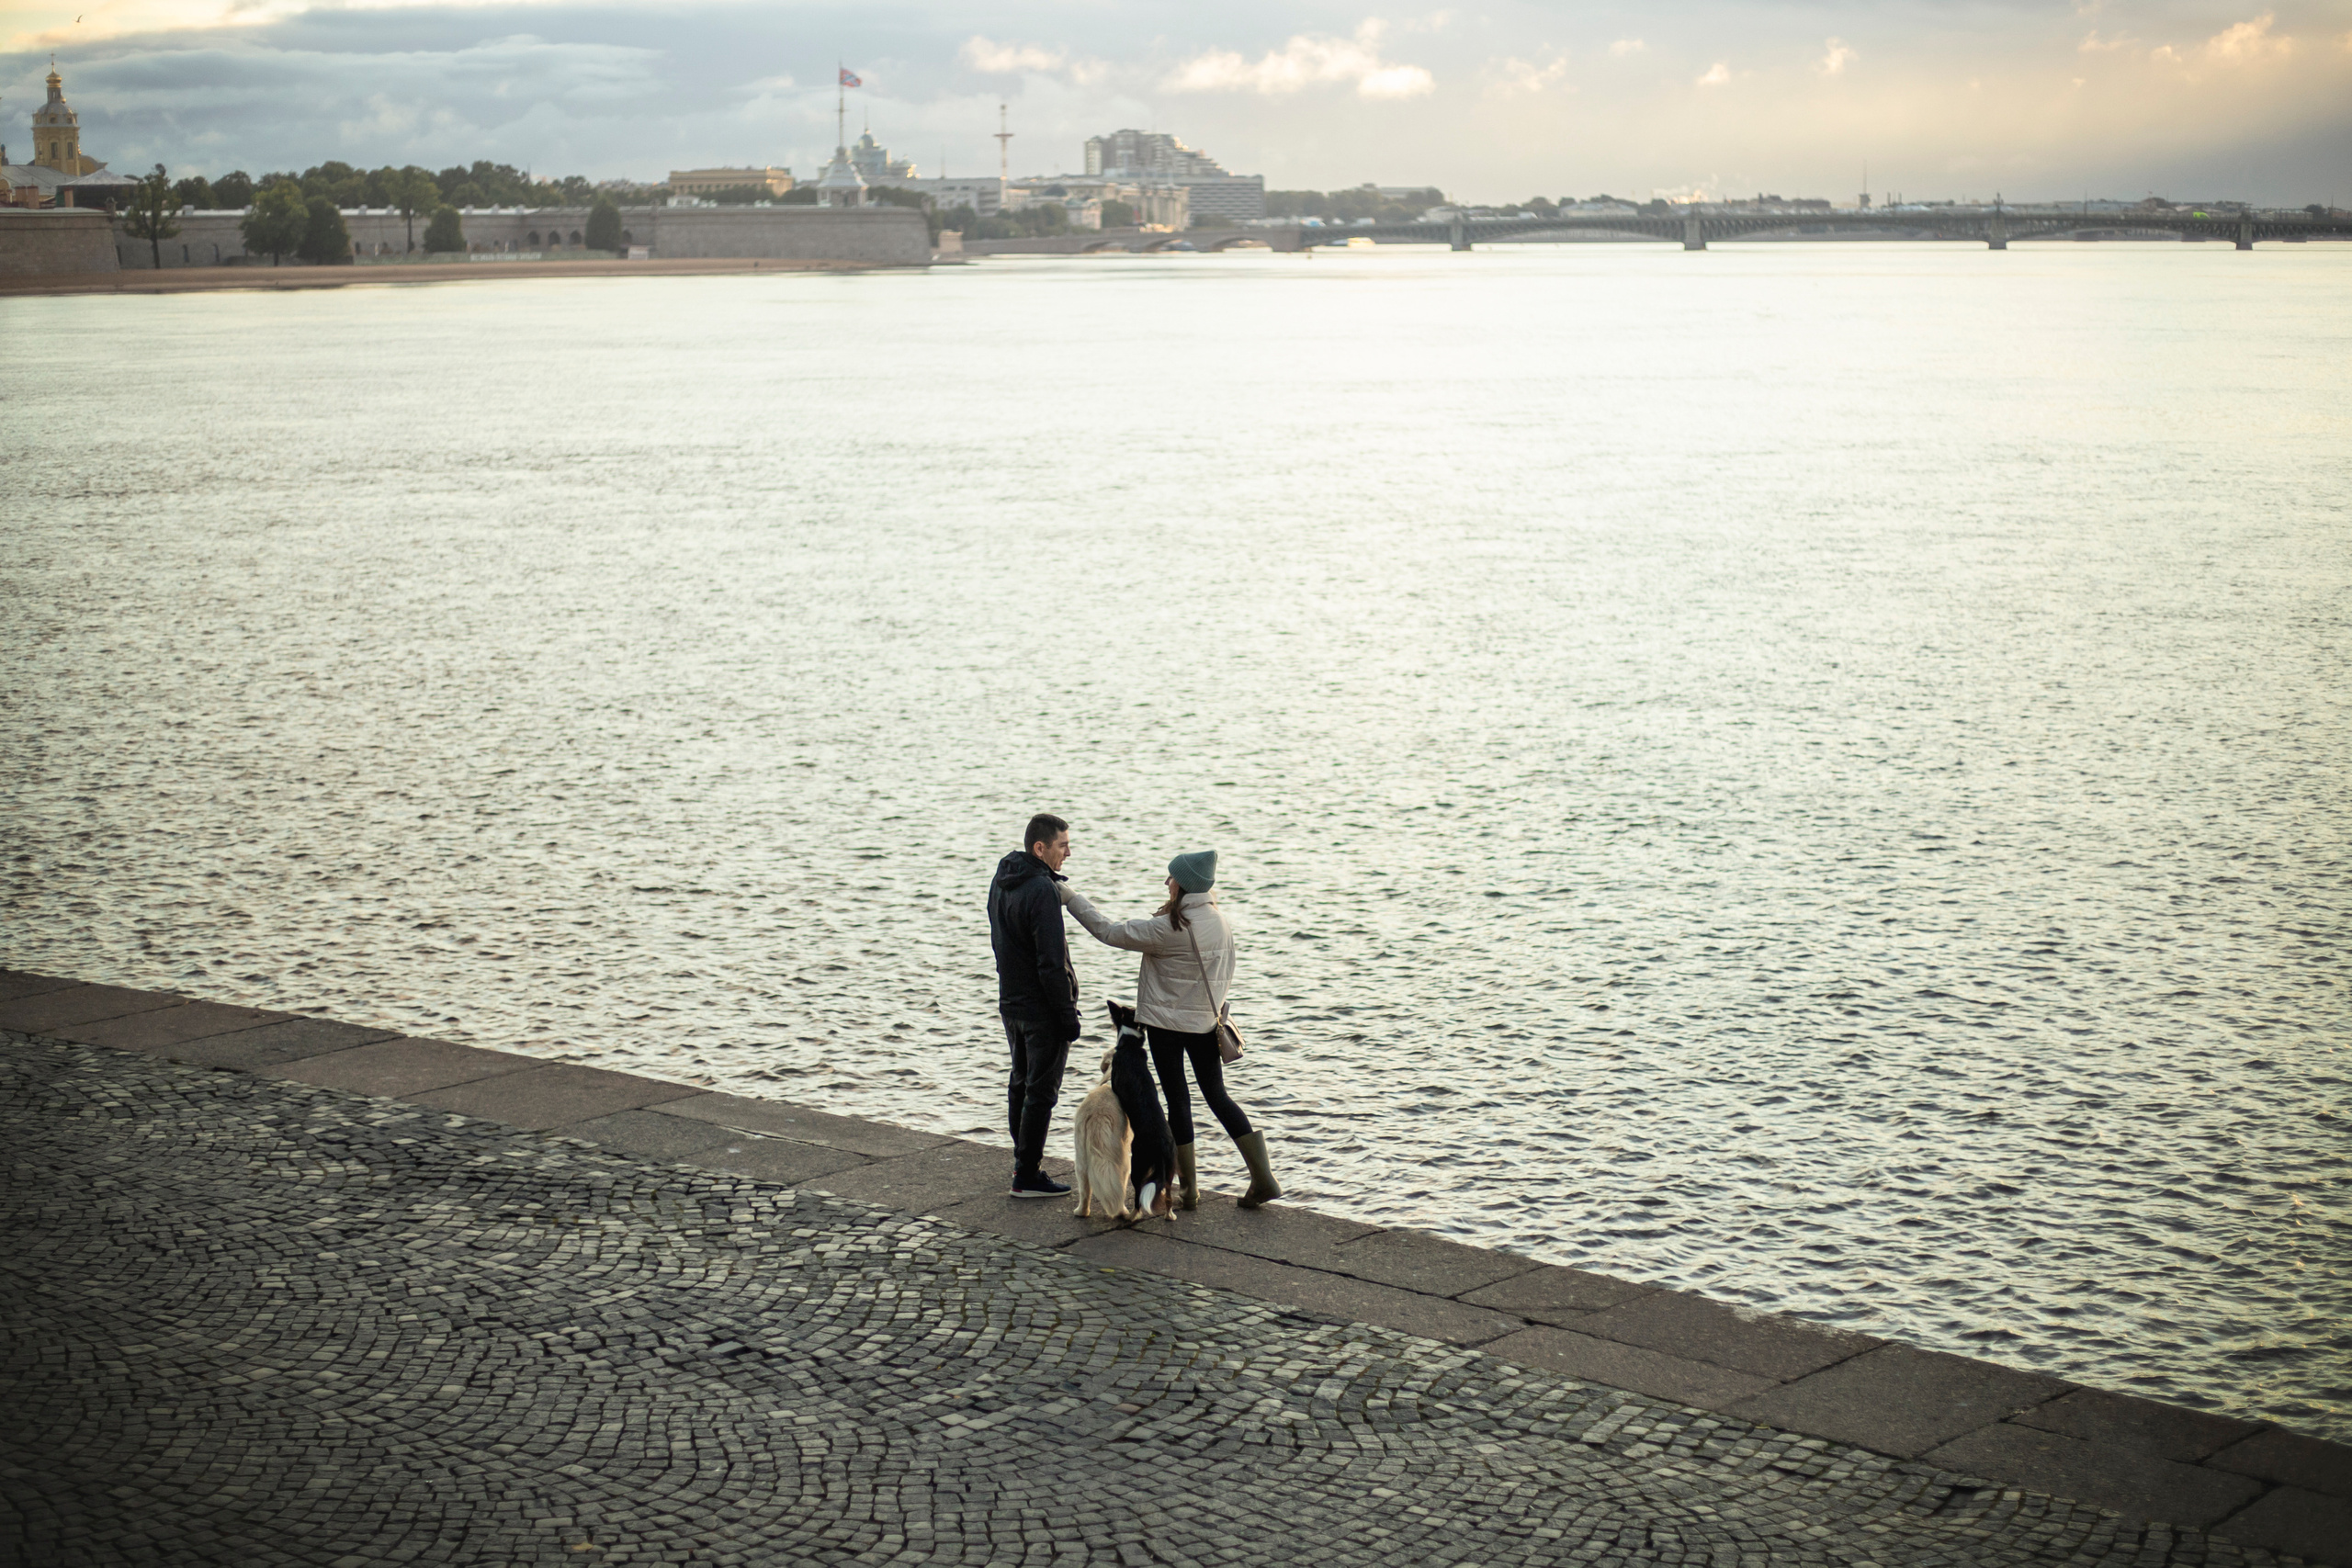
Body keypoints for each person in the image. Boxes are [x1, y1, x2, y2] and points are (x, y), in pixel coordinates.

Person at [1058, 849, 1280, 1209]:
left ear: (1185, 884)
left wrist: (1071, 898)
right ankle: (1263, 1177)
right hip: (1205, 1025)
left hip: (1166, 1028)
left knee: (1178, 1101)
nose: (1167, 882)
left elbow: (1109, 932)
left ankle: (1189, 1191)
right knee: (1218, 1097)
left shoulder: (1169, 928)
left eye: (1172, 877)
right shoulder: (1220, 922)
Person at [988, 813, 1080, 1198]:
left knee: (1020, 1084)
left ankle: (1022, 1165)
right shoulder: (1042, 890)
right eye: (1063, 846)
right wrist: (1067, 1014)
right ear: (1040, 848)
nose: (1068, 853)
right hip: (1042, 1010)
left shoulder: (1002, 879)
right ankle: (1027, 1175)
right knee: (1041, 1093)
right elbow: (1051, 962)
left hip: (1011, 1003)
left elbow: (999, 939)